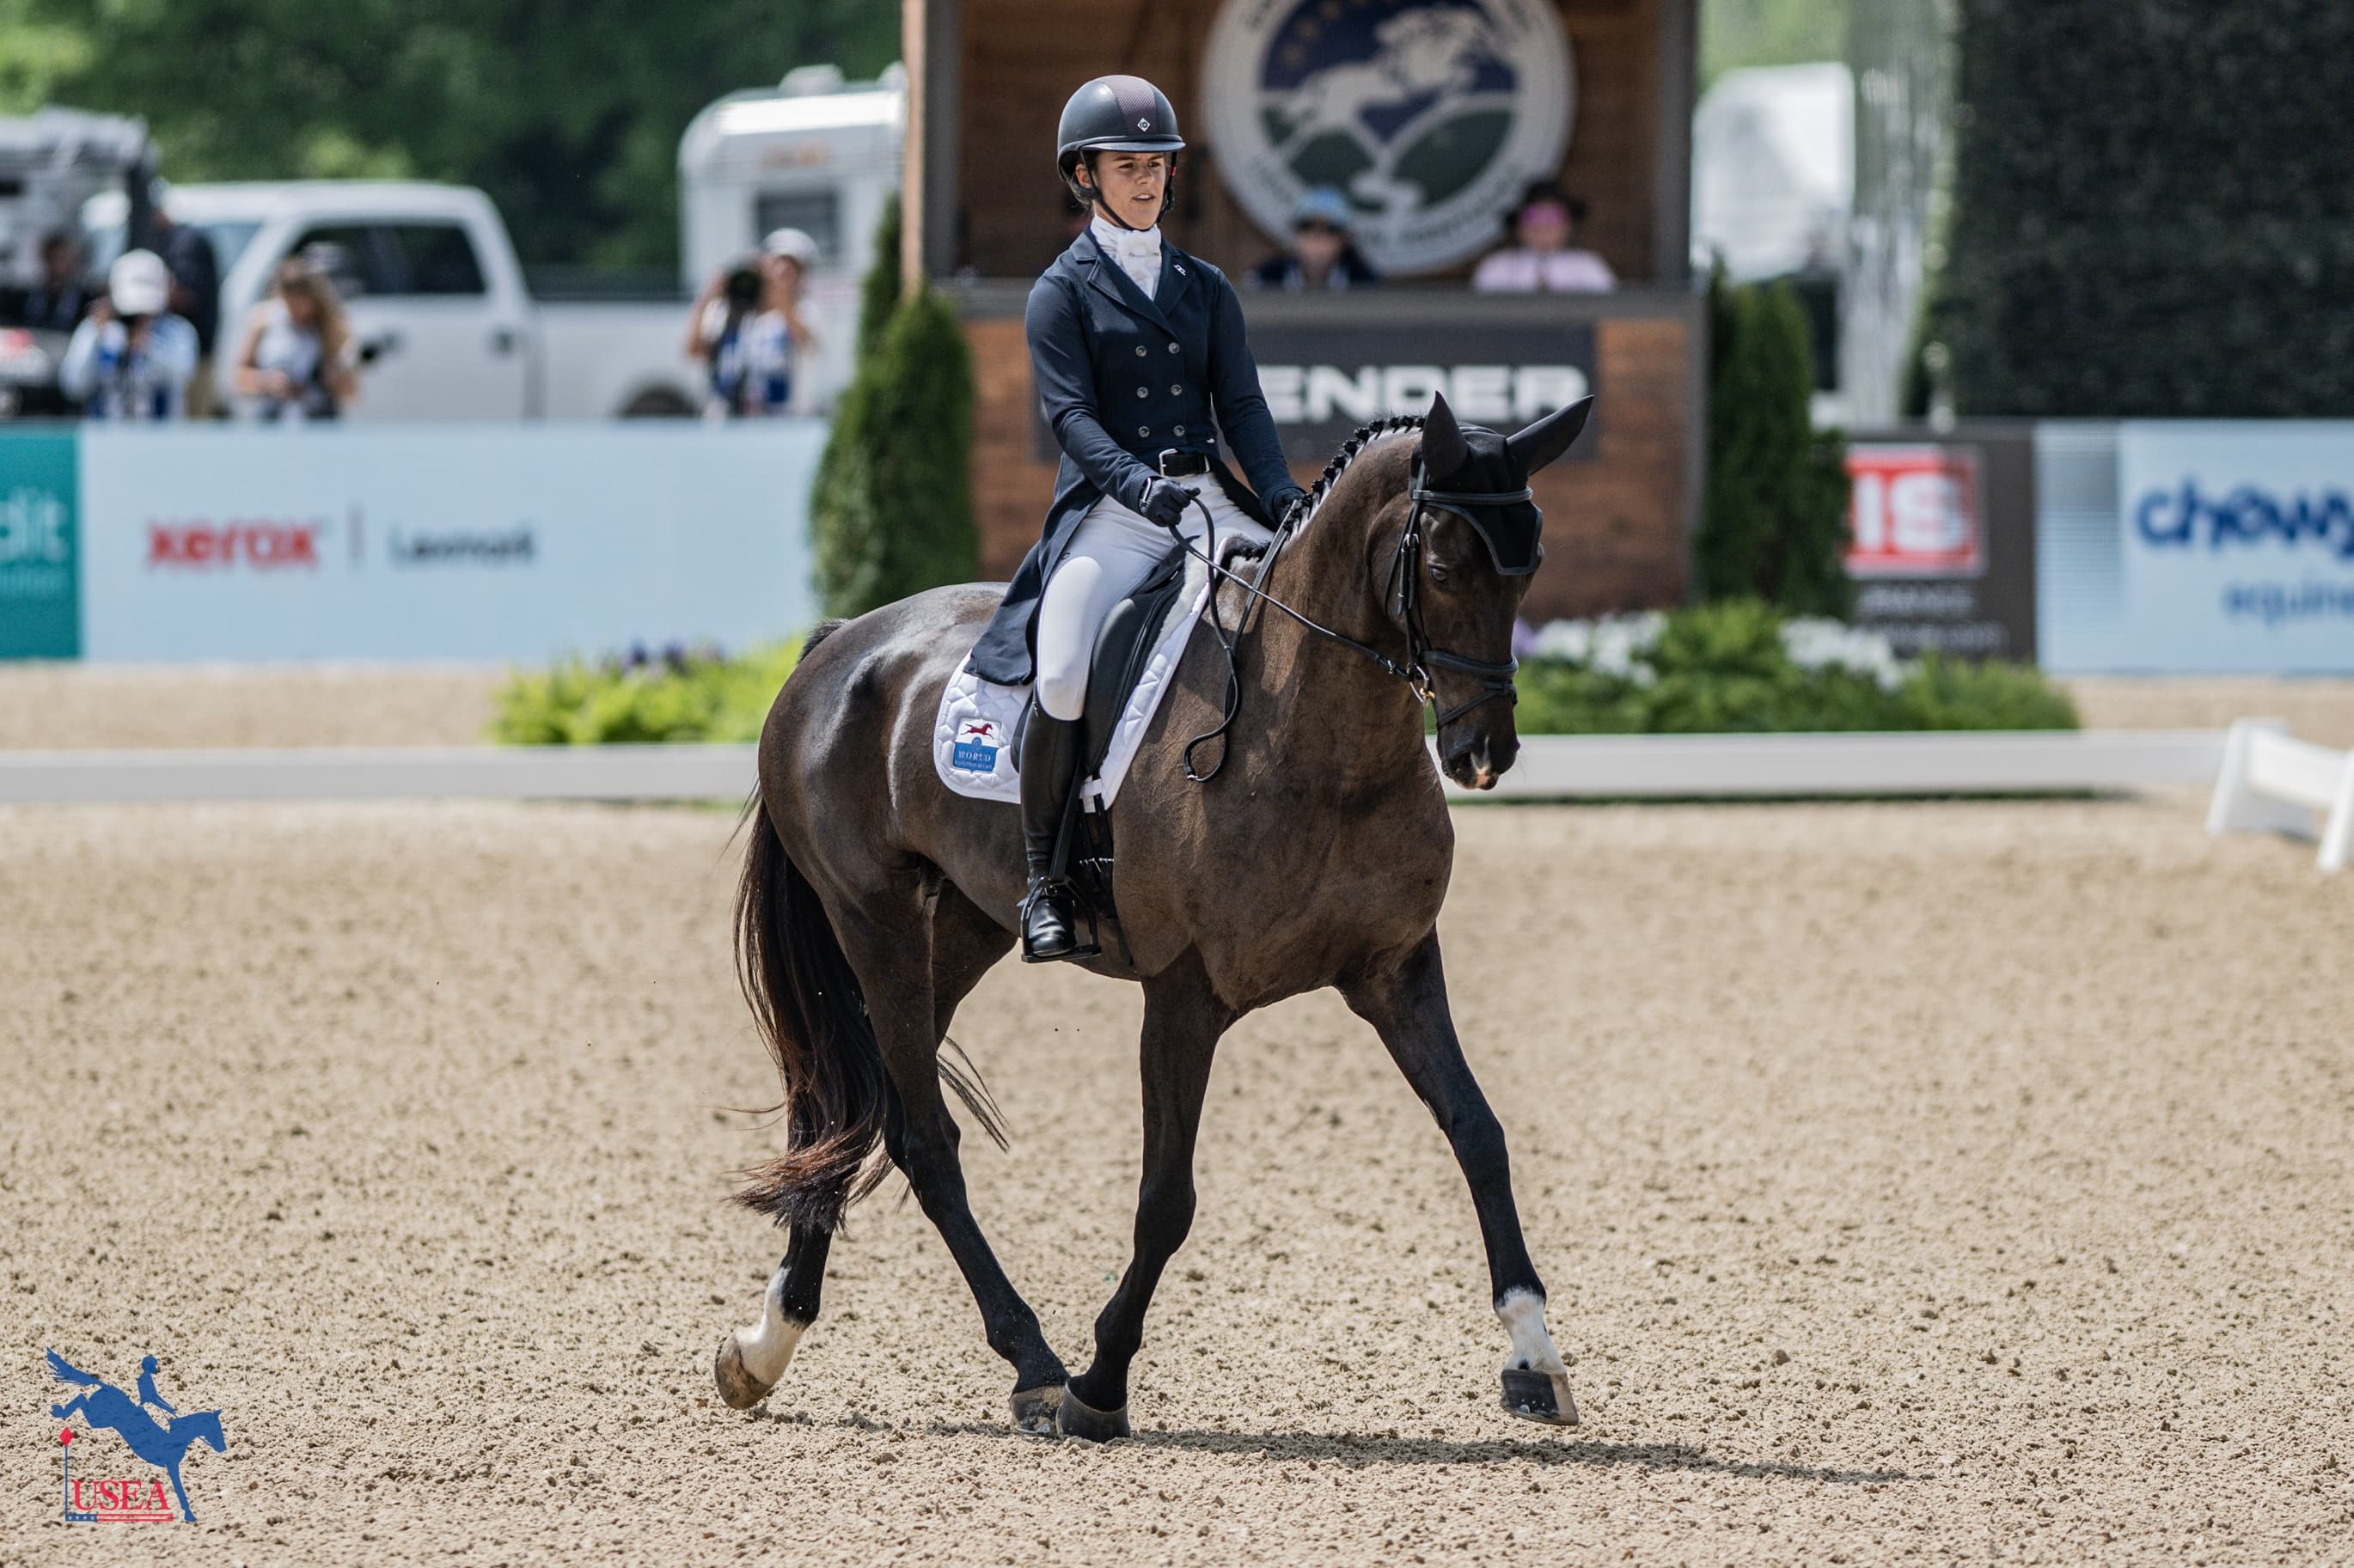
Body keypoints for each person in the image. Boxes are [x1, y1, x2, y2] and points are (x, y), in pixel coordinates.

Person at [964, 73, 1309, 963]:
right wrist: (1135, 484)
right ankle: (1046, 881)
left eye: (1157, 165)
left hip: (1210, 500)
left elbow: (1242, 405)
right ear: (1084, 175)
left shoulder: (1206, 287)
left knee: (1311, 621)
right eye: (1128, 166)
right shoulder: (1061, 292)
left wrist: (1279, 494)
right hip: (1116, 513)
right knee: (1063, 671)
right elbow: (1072, 420)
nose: (1148, 180)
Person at [685, 228, 816, 418]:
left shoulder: (805, 311)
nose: (782, 271)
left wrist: (781, 299)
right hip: (724, 418)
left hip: (782, 420)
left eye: (792, 267)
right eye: (776, 263)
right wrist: (709, 297)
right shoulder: (727, 310)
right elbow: (694, 351)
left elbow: (806, 342)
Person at [57, 250, 200, 420]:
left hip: (160, 434)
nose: (138, 317)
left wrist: (146, 346)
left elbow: (183, 376)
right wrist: (97, 336)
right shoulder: (96, 330)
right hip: (105, 433)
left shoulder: (177, 331)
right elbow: (73, 385)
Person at [231, 256, 359, 422]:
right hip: (273, 421)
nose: (297, 312)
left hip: (318, 422)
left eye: (303, 304)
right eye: (291, 304)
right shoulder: (264, 320)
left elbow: (352, 392)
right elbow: (238, 379)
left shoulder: (330, 328)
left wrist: (332, 378)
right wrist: (266, 382)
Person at [149, 189, 223, 416]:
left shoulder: (186, 243)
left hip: (195, 357)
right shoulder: (169, 240)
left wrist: (147, 295)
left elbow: (186, 297)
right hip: (179, 353)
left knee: (193, 424)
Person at [1471, 183, 1615, 294]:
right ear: (1519, 226)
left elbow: (1611, 315)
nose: (1543, 225)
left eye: (1553, 217)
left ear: (1568, 226)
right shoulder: (1496, 268)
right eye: (1533, 217)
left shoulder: (1588, 267)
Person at [1248, 186, 1380, 291]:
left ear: (1345, 238)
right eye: (1307, 226)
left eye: (1330, 229)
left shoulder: (1366, 283)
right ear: (1294, 232)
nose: (1317, 235)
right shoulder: (1264, 278)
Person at [23, 232, 91, 332]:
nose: (57, 264)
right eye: (53, 257)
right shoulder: (27, 296)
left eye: (63, 258)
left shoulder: (85, 302)